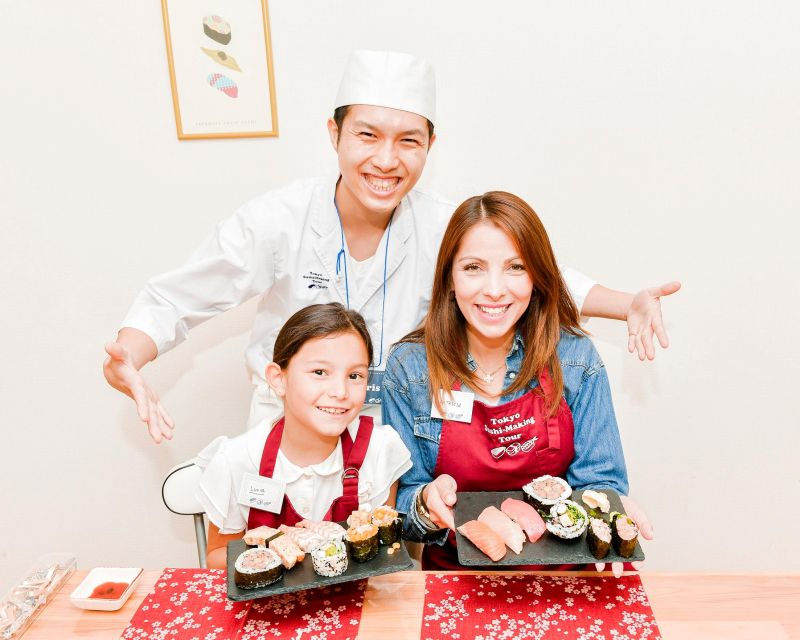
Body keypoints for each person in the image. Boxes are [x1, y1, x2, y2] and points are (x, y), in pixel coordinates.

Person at [103, 49, 680, 444]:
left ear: (431, 145)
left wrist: (629, 303)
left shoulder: (440, 223)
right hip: (291, 436)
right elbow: (179, 298)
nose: (386, 160)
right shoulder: (277, 219)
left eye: (408, 141)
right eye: (367, 135)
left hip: (399, 439)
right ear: (334, 134)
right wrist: (130, 355)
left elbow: (528, 276)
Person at [381, 191, 653, 572]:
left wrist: (608, 506)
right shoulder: (409, 367)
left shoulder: (574, 359)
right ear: (449, 277)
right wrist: (426, 502)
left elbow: (600, 480)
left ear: (537, 277)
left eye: (515, 267)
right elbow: (402, 506)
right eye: (473, 267)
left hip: (565, 576)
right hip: (454, 580)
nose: (494, 289)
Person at [196, 302, 411, 569]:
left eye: (355, 375)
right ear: (278, 379)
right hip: (266, 607)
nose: (340, 391)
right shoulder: (238, 459)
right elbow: (218, 555)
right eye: (320, 372)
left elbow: (386, 549)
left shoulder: (379, 450)